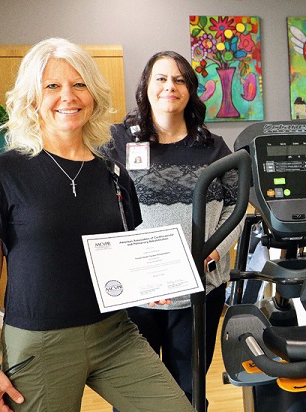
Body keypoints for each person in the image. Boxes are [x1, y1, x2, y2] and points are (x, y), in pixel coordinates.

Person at [0, 38, 194, 412]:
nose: (68, 96)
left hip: (115, 334)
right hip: (40, 342)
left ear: (94, 95)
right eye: (52, 86)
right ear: (32, 98)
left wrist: (150, 283)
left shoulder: (114, 174)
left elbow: (122, 257)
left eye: (79, 84)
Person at [103, 51, 241, 406]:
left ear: (190, 90)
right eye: (161, 78)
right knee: (135, 393)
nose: (170, 86)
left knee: (189, 392)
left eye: (180, 79)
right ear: (146, 87)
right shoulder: (118, 142)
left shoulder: (212, 147)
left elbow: (238, 208)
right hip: (137, 294)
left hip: (198, 292)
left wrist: (213, 251)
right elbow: (100, 207)